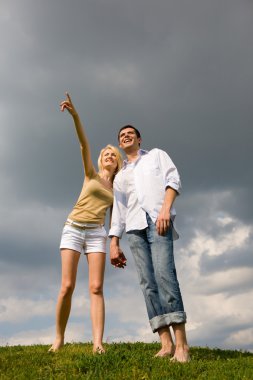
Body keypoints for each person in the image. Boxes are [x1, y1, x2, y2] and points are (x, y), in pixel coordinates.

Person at [109, 125, 190, 363]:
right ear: (120, 143)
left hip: (158, 221)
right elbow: (119, 211)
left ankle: (182, 346)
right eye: (121, 135)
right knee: (147, 283)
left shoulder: (156, 155)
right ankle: (166, 344)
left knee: (165, 275)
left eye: (130, 134)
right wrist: (114, 242)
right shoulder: (120, 175)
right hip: (134, 229)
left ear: (139, 139)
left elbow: (173, 180)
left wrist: (165, 210)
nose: (125, 136)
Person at [49, 93, 123, 354]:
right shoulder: (90, 174)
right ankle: (58, 339)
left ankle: (98, 343)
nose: (108, 156)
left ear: (117, 163)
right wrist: (75, 115)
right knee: (67, 286)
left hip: (96, 233)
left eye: (113, 155)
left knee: (96, 287)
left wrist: (116, 243)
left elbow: (116, 218)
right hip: (73, 227)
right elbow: (83, 144)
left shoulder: (118, 187)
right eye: (106, 153)